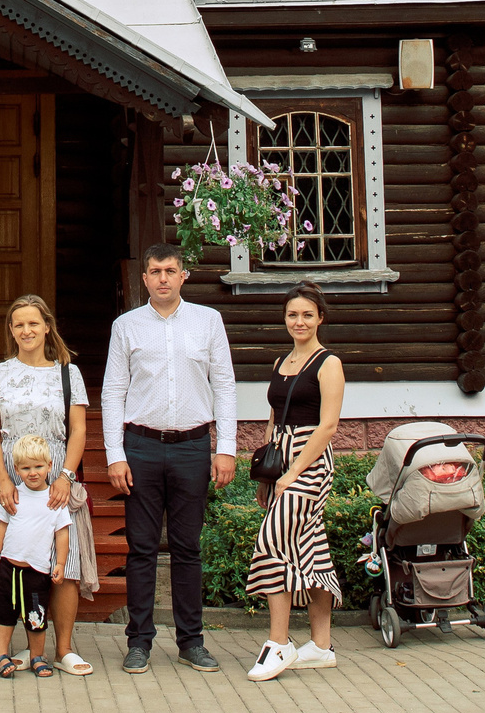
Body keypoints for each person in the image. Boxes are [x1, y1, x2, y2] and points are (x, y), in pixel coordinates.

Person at [102, 242, 235, 674]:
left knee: (187, 548)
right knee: (140, 549)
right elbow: (113, 393)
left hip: (193, 447)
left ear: (183, 276)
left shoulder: (208, 321)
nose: (162, 277)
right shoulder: (126, 326)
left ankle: (191, 642)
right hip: (140, 446)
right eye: (155, 270)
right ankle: (138, 641)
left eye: (170, 270)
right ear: (144, 279)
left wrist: (226, 448)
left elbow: (225, 387)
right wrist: (115, 455)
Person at [0, 293, 96, 675]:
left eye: (33, 323)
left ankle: (62, 649)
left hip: (55, 471)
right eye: (18, 324)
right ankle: (25, 650)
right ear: (11, 331)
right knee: (19, 558)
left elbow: (78, 429)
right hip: (13, 473)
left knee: (63, 559)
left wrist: (65, 476)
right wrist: (2, 480)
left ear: (46, 327)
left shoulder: (67, 371)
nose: (26, 330)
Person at [244, 283, 346, 682]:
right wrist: (268, 476)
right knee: (311, 548)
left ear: (320, 317)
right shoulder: (280, 362)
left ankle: (279, 642)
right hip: (281, 459)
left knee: (272, 541)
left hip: (311, 462)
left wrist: (292, 474)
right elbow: (272, 420)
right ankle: (321, 646)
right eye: (292, 315)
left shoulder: (328, 362)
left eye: (307, 314)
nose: (298, 321)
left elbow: (329, 426)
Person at [0, 434, 72, 678]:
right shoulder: (14, 495)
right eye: (26, 468)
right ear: (16, 469)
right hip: (9, 567)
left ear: (49, 466)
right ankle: (2, 655)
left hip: (37, 572)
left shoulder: (54, 500)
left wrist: (61, 563)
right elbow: (2, 527)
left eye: (38, 467)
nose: (32, 473)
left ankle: (37, 656)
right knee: (5, 614)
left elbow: (61, 534)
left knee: (37, 616)